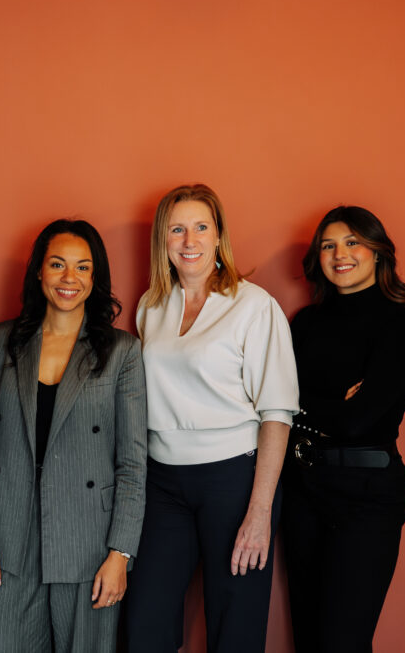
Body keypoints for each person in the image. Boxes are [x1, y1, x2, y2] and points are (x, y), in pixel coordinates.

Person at [125, 184, 299, 652]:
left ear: (219, 236)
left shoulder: (253, 305)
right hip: (162, 483)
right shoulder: (150, 307)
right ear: (162, 240)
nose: (189, 240)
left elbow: (277, 416)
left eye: (201, 227)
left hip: (235, 479)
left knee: (235, 626)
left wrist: (260, 511)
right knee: (144, 624)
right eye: (177, 229)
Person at [0, 219, 147, 652]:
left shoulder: (121, 351)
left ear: (95, 277)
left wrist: (119, 555)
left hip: (89, 543)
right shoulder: (1, 342)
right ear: (39, 272)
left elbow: (133, 462)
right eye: (58, 265)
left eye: (83, 268)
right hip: (9, 541)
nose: (70, 279)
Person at [282, 206, 405, 652]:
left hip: (366, 495)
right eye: (328, 245)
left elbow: (358, 420)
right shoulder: (305, 323)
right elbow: (273, 403)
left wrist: (302, 406)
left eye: (352, 243)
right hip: (303, 489)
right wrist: (326, 405)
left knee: (342, 642)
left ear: (378, 252)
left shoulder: (403, 326)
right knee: (308, 638)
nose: (339, 254)